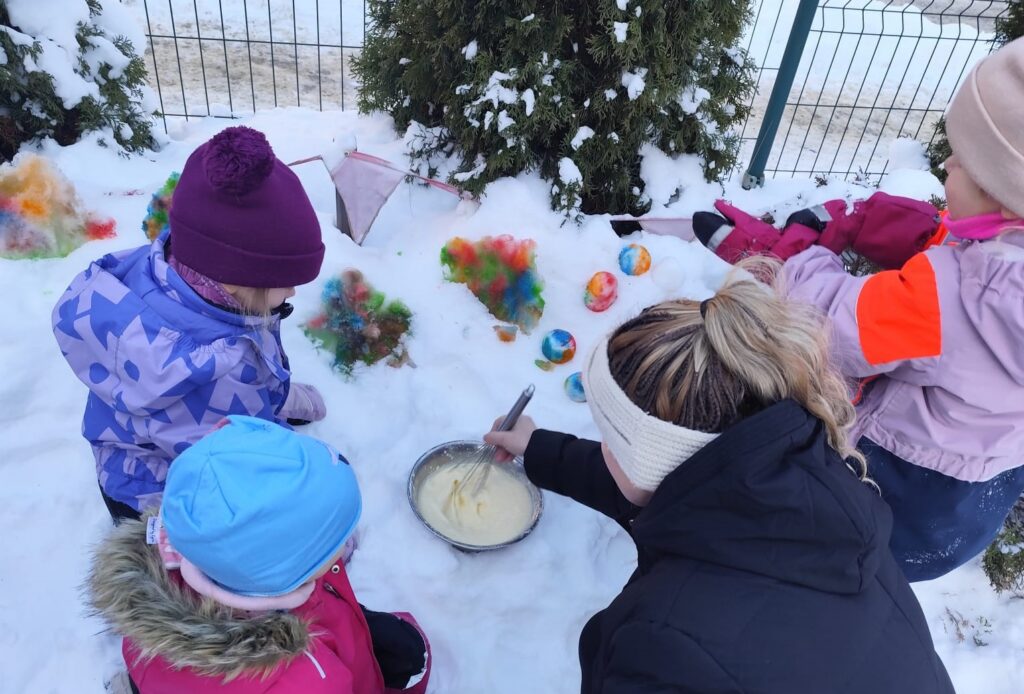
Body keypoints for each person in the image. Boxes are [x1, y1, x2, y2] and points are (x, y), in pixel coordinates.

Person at [484, 266, 954, 694]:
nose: (605, 449)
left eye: (611, 438)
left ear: (650, 457)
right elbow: (671, 490)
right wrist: (541, 449)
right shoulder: (821, 505)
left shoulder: (667, 656)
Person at [696, 36, 1024, 582]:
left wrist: (785, 256)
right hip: (973, 499)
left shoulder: (944, 300)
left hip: (894, 489)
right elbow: (975, 253)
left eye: (962, 160)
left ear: (1005, 194)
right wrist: (900, 225)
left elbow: (826, 321)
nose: (945, 162)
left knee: (825, 563)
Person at [52, 126, 328, 523]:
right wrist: (311, 525)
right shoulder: (212, 370)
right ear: (237, 276)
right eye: (283, 282)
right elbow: (234, 471)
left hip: (157, 440)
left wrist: (275, 397)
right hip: (154, 494)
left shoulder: (174, 274)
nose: (293, 293)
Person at [88, 415, 430, 694]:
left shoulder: (175, 572)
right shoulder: (311, 682)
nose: (343, 548)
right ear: (282, 572)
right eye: (332, 543)